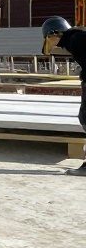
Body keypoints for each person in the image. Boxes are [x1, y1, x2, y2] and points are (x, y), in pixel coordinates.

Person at [40, 16, 86, 176]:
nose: (51, 44)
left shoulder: (75, 40)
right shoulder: (77, 38)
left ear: (54, 33)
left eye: (49, 38)